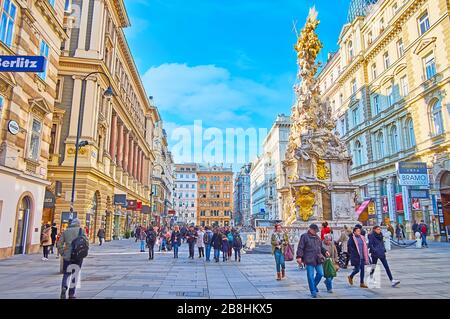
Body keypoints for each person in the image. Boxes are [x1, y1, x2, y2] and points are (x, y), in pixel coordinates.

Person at [57, 218, 89, 299]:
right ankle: (71, 294)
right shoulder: (81, 231)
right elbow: (86, 242)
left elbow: (59, 244)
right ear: (78, 224)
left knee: (66, 274)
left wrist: (62, 253)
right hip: (78, 255)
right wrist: (84, 251)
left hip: (67, 256)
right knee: (75, 274)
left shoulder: (66, 231)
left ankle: (64, 287)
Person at [296, 224, 328, 298]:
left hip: (318, 258)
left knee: (320, 273)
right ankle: (313, 291)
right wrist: (299, 256)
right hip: (309, 259)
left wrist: (325, 251)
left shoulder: (317, 237)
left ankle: (314, 285)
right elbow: (300, 247)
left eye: (316, 231)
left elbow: (320, 247)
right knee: (310, 276)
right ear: (310, 229)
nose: (315, 232)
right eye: (314, 230)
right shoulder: (304, 236)